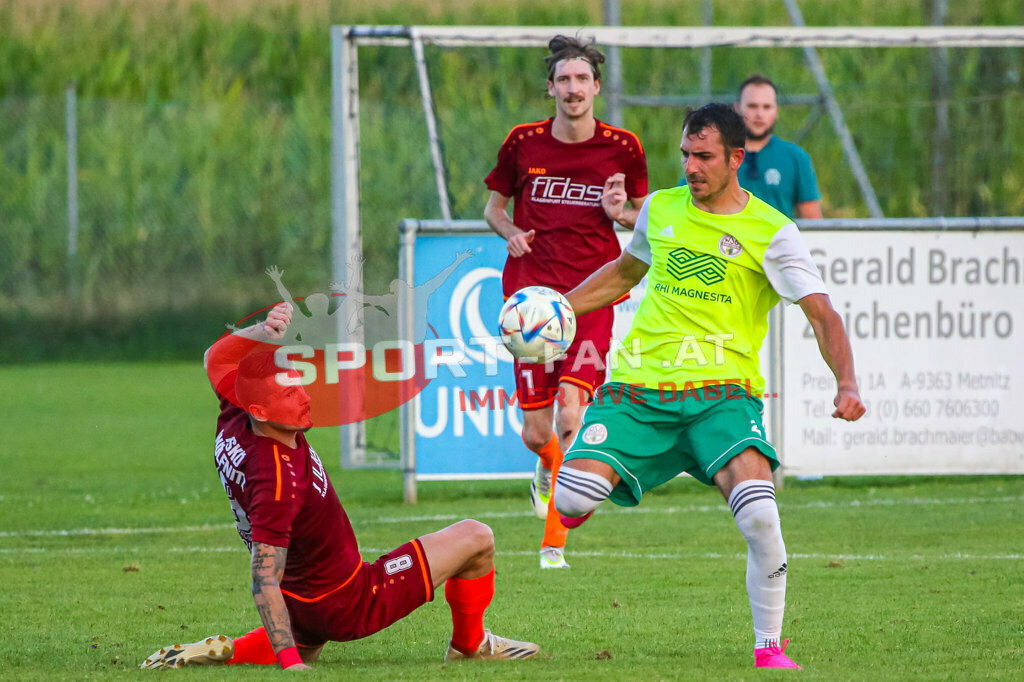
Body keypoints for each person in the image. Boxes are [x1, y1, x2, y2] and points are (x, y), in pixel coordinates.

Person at [553, 103, 865, 668]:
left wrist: (846, 382)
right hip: (639, 392)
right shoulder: (663, 209)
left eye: (703, 157)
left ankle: (769, 646)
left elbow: (822, 315)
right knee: (572, 500)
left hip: (722, 396)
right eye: (685, 155)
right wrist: (560, 308)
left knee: (760, 515)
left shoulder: (773, 232)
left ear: (736, 159)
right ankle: (631, 461)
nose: (690, 167)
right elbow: (627, 272)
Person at [140, 302, 539, 670]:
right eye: (290, 393)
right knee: (477, 537)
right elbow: (263, 578)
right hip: (349, 599)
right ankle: (470, 646)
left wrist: (263, 330)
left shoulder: (238, 413)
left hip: (304, 595)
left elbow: (216, 358)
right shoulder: (277, 475)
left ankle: (237, 651)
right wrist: (291, 664)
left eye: (301, 385)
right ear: (260, 410)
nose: (305, 397)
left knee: (309, 636)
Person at [483, 34, 648, 570]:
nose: (573, 89)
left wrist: (620, 211)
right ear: (549, 88)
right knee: (538, 432)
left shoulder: (623, 146)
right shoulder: (522, 143)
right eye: (564, 80)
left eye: (583, 79)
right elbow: (493, 208)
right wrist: (508, 230)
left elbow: (643, 222)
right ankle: (547, 465)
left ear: (596, 87)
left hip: (593, 298)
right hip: (531, 302)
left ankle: (553, 542)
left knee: (573, 413)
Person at [679, 74, 822, 220]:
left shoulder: (795, 157)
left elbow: (813, 222)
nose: (759, 114)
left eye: (766, 107)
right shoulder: (712, 153)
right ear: (737, 108)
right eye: (752, 106)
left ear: (776, 111)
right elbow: (682, 204)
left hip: (773, 242)